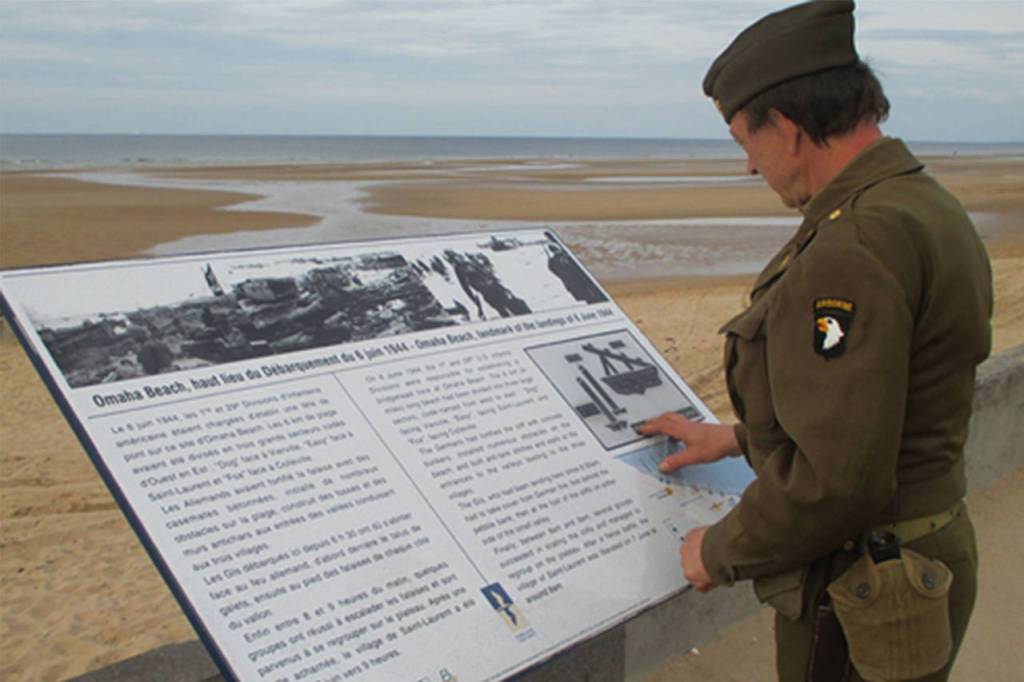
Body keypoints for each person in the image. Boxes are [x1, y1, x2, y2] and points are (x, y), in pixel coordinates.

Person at [638, 2, 993, 680]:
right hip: (923, 554)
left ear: (790, 129)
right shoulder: (921, 204)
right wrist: (738, 439)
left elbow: (840, 479)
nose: (749, 167)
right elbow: (886, 401)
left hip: (865, 585)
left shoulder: (854, 245)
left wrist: (718, 550)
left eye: (747, 142)